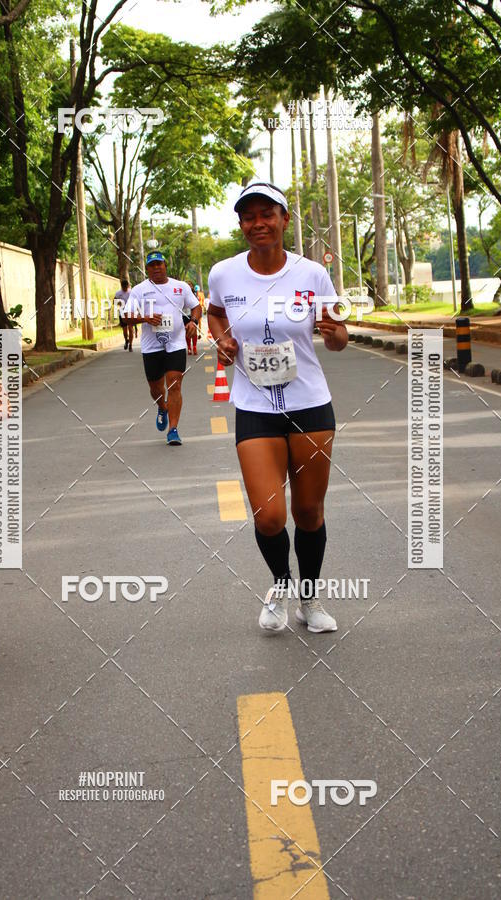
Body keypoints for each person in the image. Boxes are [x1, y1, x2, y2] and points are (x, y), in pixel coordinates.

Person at [208, 182, 348, 634]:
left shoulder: (311, 275)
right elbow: (213, 311)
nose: (258, 224)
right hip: (254, 405)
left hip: (309, 403)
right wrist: (222, 336)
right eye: (249, 217)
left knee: (308, 512)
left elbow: (340, 337)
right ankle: (280, 586)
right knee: (269, 516)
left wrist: (333, 333)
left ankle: (310, 599)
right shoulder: (224, 274)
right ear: (242, 225)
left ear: (285, 219)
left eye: (267, 214)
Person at [123, 251, 200, 445]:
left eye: (159, 264)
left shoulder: (180, 287)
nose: (156, 268)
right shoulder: (140, 290)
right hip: (151, 346)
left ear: (165, 265)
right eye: (152, 265)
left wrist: (193, 321)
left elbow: (196, 306)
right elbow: (126, 316)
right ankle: (162, 406)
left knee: (174, 383)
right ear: (147, 269)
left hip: (176, 343)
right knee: (156, 387)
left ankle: (173, 429)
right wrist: (145, 318)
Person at [114, 279, 135, 351]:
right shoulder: (118, 293)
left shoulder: (131, 292)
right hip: (122, 313)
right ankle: (126, 340)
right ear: (121, 286)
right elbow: (114, 301)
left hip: (130, 312)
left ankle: (131, 345)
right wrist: (119, 303)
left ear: (128, 286)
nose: (125, 288)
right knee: (125, 329)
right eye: (123, 287)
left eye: (126, 287)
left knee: (131, 329)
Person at [184, 281, 201, 355]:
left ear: (192, 287)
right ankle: (189, 348)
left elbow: (197, 306)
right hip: (184, 315)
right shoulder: (181, 294)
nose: (188, 286)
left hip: (193, 315)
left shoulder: (195, 295)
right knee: (187, 332)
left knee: (194, 331)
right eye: (187, 285)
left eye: (190, 285)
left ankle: (194, 346)